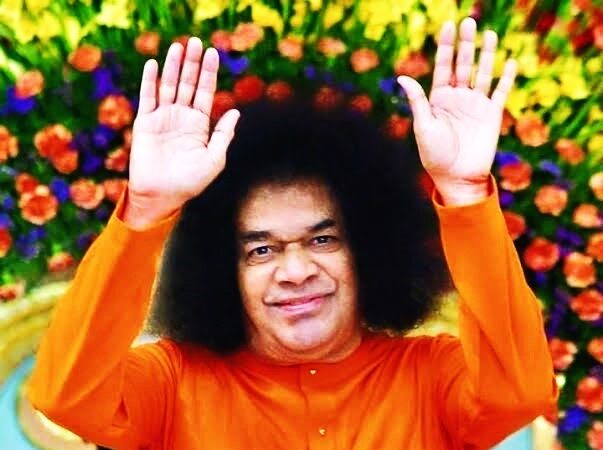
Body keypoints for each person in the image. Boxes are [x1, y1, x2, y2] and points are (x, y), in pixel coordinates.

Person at [26, 17, 558, 450]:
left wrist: (465, 192)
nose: (297, 271)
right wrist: (145, 211)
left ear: (368, 251)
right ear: (224, 271)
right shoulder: (172, 383)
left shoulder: (429, 376)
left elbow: (520, 394)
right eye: (262, 250)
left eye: (323, 240)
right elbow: (67, 398)